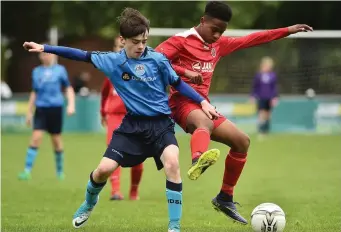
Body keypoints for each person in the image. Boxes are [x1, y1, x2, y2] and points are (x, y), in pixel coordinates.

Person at [23, 8, 218, 232]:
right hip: (132, 127)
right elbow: (80, 54)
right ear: (122, 40)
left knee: (173, 163)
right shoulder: (113, 61)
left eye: (144, 41)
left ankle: (174, 227)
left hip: (160, 125)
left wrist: (202, 102)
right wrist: (45, 48)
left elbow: (178, 83)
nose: (141, 46)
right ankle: (88, 204)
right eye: (136, 41)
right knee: (103, 170)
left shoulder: (158, 59)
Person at [155, 1, 313, 224]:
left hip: (204, 105)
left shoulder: (217, 45)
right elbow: (153, 59)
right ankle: (198, 159)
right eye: (214, 29)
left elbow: (253, 39)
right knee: (205, 124)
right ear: (202, 21)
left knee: (242, 141)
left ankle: (225, 197)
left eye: (222, 32)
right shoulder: (180, 41)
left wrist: (286, 30)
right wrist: (185, 72)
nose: (218, 35)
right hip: (181, 103)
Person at [18, 50, 75, 181]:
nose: (46, 56)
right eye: (43, 54)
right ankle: (27, 171)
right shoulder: (36, 71)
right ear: (40, 56)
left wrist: (71, 104)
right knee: (36, 138)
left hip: (56, 108)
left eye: (48, 53)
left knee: (56, 140)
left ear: (54, 55)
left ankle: (60, 172)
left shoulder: (60, 70)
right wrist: (29, 111)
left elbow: (68, 88)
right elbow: (34, 92)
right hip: (41, 109)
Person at [100, 36, 143, 201]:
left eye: (124, 47)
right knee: (114, 153)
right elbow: (104, 93)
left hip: (136, 118)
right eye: (119, 47)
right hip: (115, 117)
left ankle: (134, 191)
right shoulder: (111, 71)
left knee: (138, 156)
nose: (121, 50)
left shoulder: (141, 69)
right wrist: (103, 112)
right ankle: (115, 191)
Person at [250, 56, 278, 137]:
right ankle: (260, 131)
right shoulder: (258, 75)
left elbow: (274, 88)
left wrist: (275, 97)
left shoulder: (272, 75)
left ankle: (266, 131)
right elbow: (255, 87)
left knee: (268, 115)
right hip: (261, 98)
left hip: (269, 98)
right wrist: (252, 96)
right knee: (261, 114)